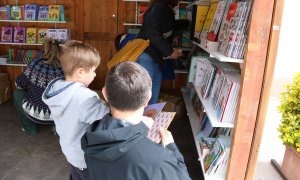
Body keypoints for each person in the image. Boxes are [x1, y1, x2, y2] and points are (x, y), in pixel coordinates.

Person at [81, 62, 191, 180]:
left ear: (104, 94)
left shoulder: (92, 137)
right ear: (147, 99)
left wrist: (140, 129)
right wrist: (171, 147)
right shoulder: (158, 159)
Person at [42, 40, 109, 180]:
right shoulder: (84, 97)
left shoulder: (57, 89)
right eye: (93, 70)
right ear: (80, 72)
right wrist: (110, 102)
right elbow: (107, 118)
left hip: (70, 152)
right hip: (85, 158)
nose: (95, 75)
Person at [136, 0, 188, 104]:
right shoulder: (160, 7)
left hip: (154, 59)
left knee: (149, 99)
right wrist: (170, 52)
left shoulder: (162, 8)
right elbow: (152, 30)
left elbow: (166, 25)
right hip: (148, 58)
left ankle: (147, 119)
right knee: (144, 100)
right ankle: (142, 120)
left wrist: (186, 23)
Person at [13, 38, 64, 135]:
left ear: (42, 49)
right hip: (58, 114)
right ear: (59, 50)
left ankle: (29, 128)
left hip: (35, 112)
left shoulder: (35, 63)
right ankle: (57, 127)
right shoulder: (64, 66)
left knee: (17, 93)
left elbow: (19, 84)